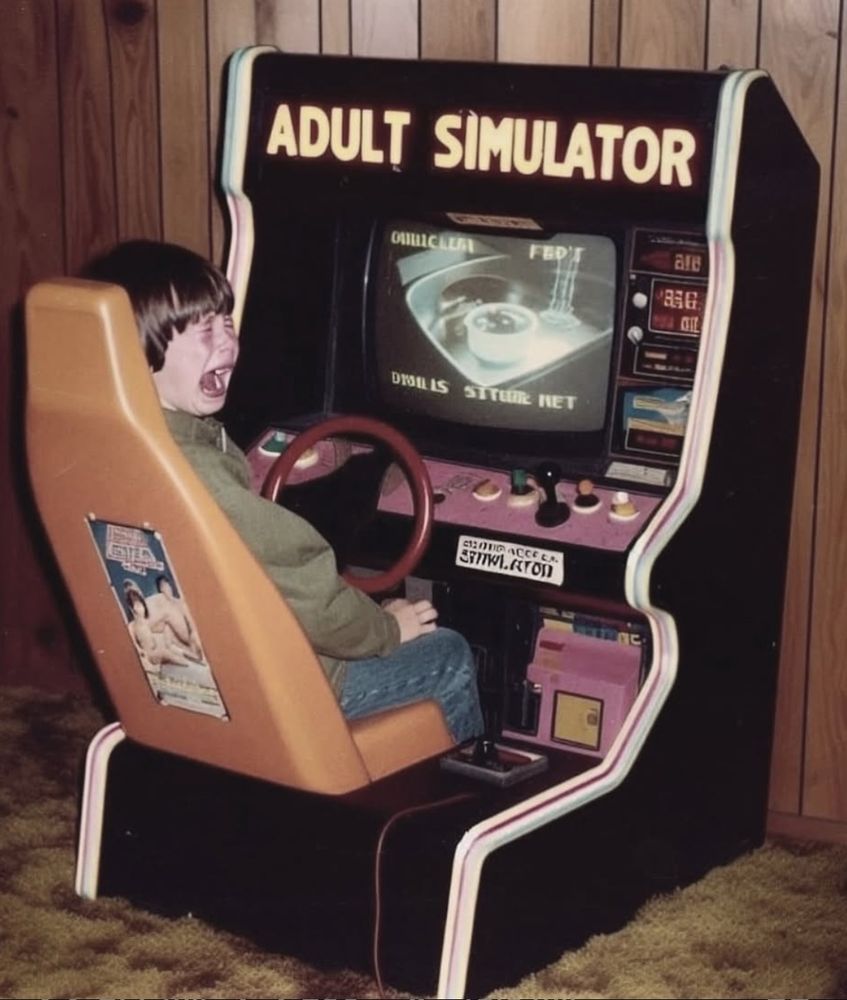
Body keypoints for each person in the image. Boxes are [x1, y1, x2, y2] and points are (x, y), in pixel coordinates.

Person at [84, 240, 484, 743]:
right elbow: (306, 589)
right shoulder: (196, 471)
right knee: (447, 653)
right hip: (277, 692)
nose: (227, 343)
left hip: (183, 680)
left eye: (226, 323)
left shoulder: (111, 444)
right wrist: (387, 629)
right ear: (136, 350)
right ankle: (459, 791)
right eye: (203, 331)